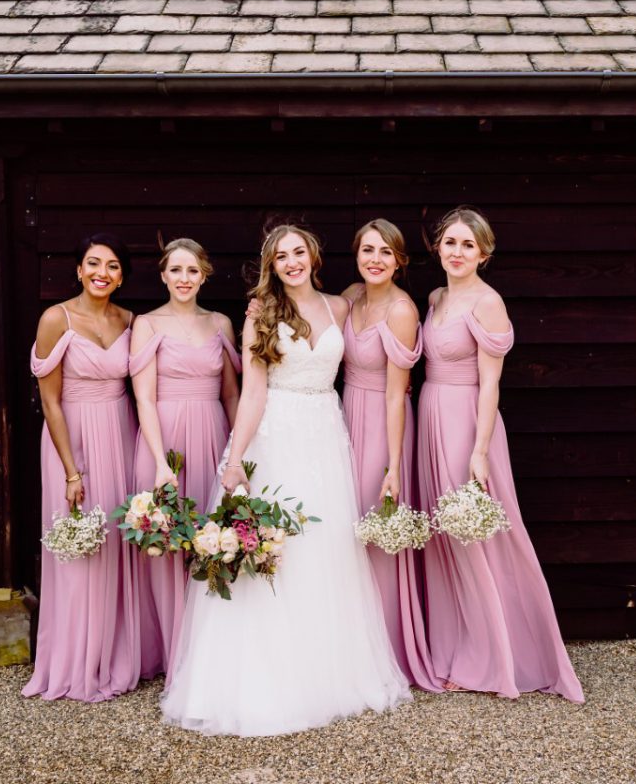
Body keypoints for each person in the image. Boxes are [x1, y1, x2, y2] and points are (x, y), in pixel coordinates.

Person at [161, 224, 411, 736]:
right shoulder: (260, 316)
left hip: (326, 434)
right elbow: (252, 393)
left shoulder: (340, 306)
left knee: (325, 552)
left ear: (314, 257)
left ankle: (327, 671)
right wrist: (235, 460)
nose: (291, 262)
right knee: (280, 550)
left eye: (299, 253)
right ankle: (268, 677)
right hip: (277, 434)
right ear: (270, 266)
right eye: (281, 257)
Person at [416, 206, 584, 702]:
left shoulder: (488, 304)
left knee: (479, 538)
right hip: (430, 415)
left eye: (468, 245)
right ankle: (457, 649)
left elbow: (491, 385)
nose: (457, 252)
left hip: (467, 421)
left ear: (484, 253)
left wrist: (480, 450)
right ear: (438, 248)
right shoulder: (435, 296)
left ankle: (500, 658)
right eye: (450, 243)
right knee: (446, 537)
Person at [23, 233, 139, 702]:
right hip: (71, 438)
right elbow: (49, 401)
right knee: (78, 544)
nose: (102, 273)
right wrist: (72, 471)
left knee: (113, 541)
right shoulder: (56, 318)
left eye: (112, 266)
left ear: (122, 276)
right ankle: (73, 661)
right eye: (94, 263)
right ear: (77, 269)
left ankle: (115, 651)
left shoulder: (129, 319)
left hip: (120, 432)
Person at [340, 219, 444, 693]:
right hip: (344, 416)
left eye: (385, 252)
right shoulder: (350, 297)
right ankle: (347, 643)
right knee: (346, 529)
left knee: (376, 530)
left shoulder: (401, 310)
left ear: (400, 261)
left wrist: (394, 465)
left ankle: (385, 652)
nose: (375, 259)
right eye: (367, 250)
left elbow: (396, 394)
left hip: (384, 424)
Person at [131, 238, 240, 682]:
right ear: (162, 275)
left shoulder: (221, 324)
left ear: (204, 274)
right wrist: (160, 462)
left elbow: (232, 393)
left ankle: (211, 654)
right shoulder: (147, 324)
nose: (183, 279)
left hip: (213, 435)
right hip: (166, 440)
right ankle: (175, 656)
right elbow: (144, 399)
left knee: (211, 540)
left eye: (192, 271)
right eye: (175, 270)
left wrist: (239, 454)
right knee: (168, 540)